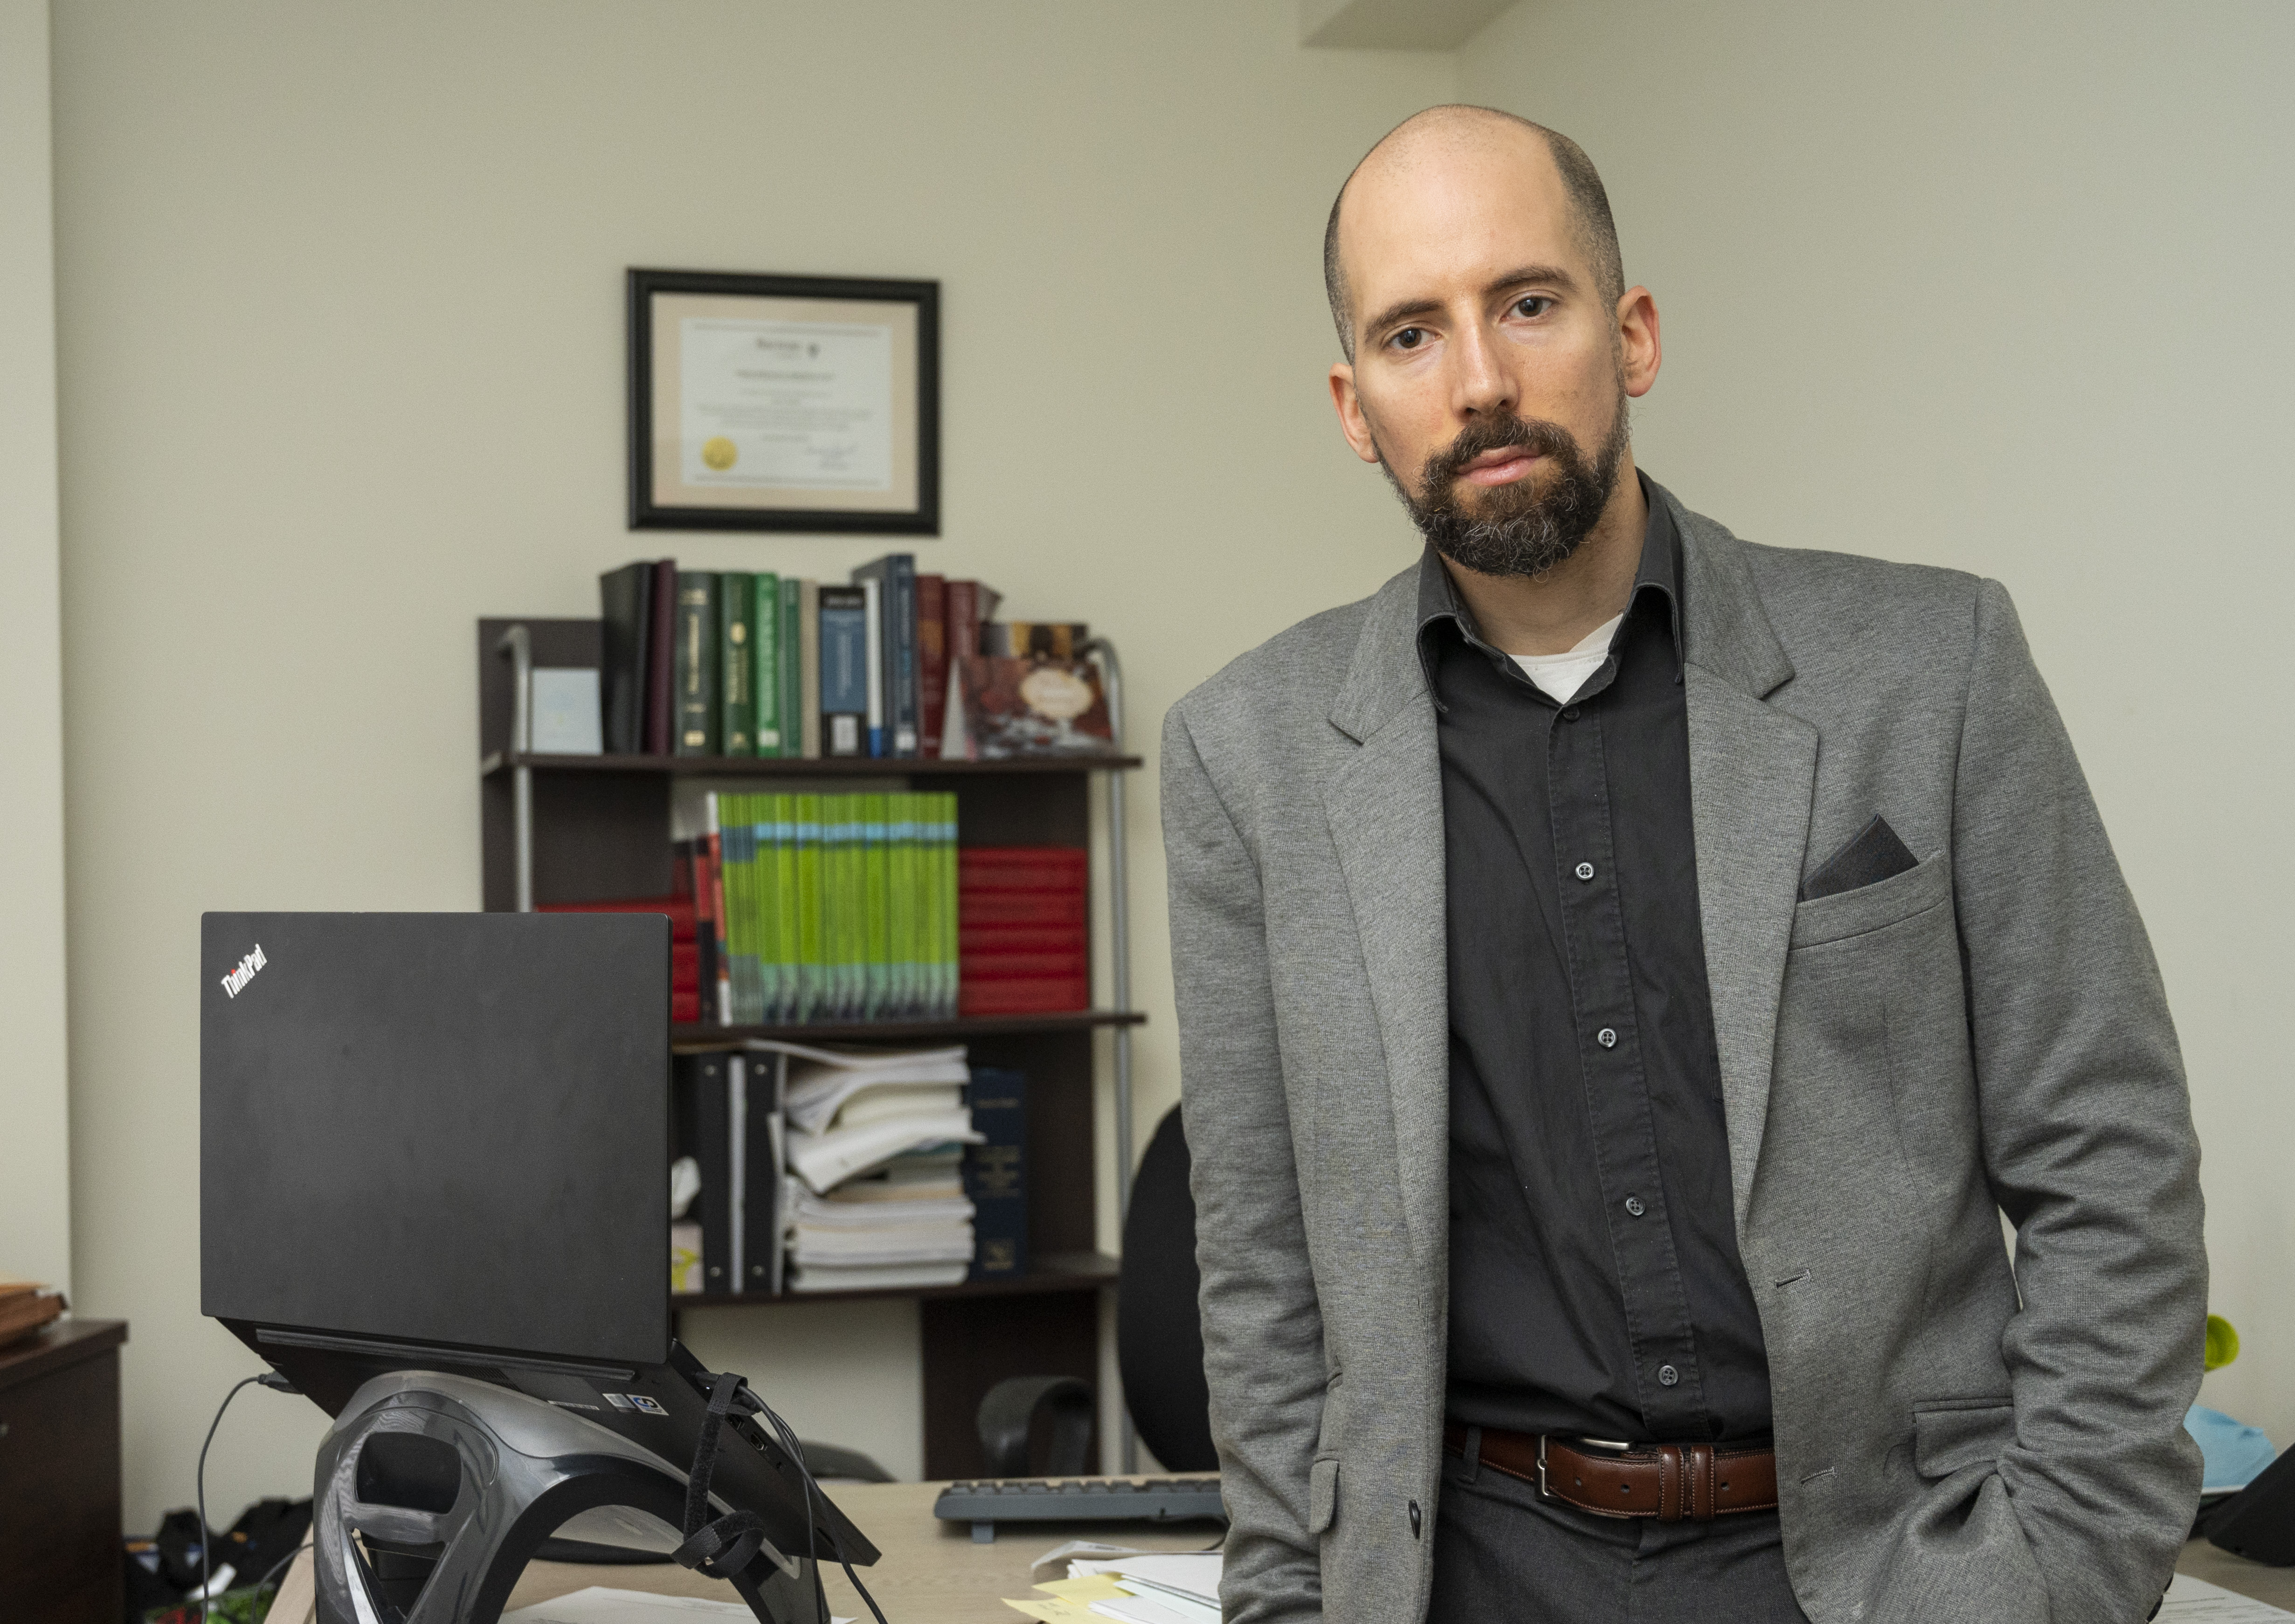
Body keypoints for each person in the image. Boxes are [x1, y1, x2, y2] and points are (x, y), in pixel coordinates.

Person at [1160, 104, 2204, 1624]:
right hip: (1464, 1574)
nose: (1479, 379)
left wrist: (2062, 1565)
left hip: (1890, 1568)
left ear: (1631, 333)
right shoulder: (1245, 756)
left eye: (1528, 302)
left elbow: (2107, 1148)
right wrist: (1282, 1603)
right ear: (1353, 406)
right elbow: (1259, 1269)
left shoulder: (1931, 667)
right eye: (1410, 333)